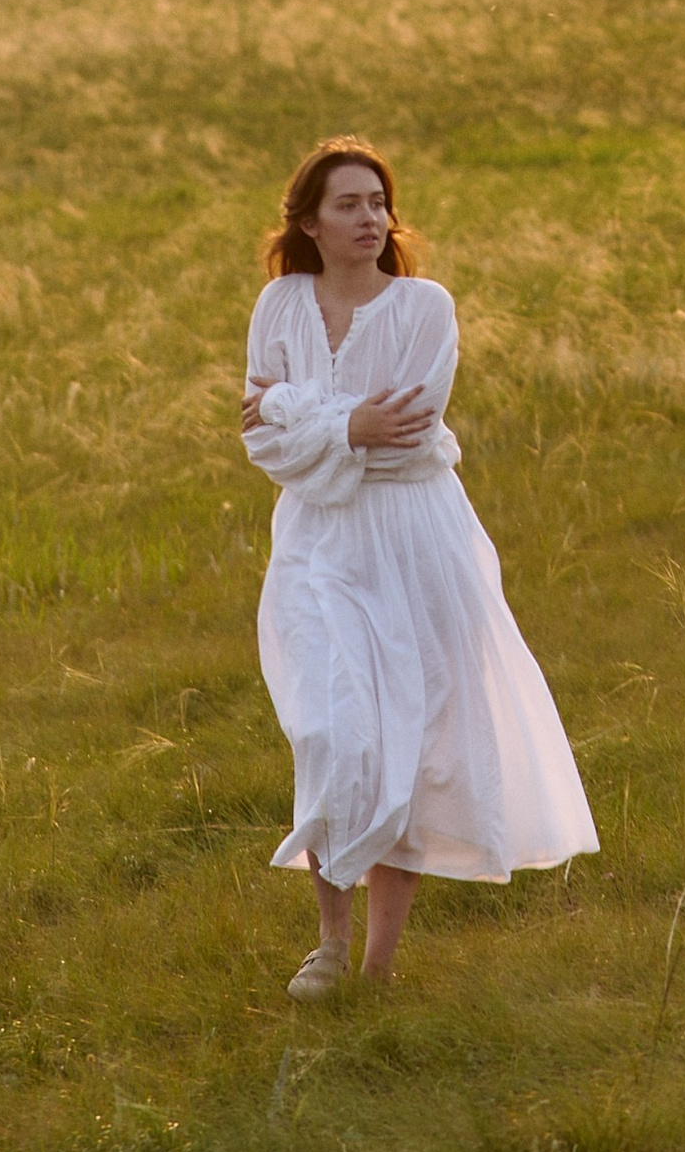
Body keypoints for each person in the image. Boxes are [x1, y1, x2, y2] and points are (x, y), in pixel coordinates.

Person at [238, 137, 597, 999]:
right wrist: (341, 426)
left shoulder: (426, 308)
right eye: (350, 205)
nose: (371, 218)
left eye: (378, 203)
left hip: (418, 542)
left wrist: (301, 411)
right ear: (310, 223)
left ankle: (376, 968)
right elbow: (260, 442)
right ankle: (328, 941)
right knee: (332, 735)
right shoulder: (280, 304)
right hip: (318, 546)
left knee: (412, 745)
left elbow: (405, 438)